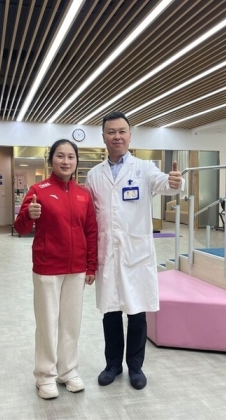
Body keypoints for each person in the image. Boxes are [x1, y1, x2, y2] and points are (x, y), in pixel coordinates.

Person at [86, 111, 183, 390]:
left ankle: (136, 367)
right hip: (108, 252)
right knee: (110, 311)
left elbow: (165, 184)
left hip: (136, 254)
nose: (117, 136)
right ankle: (113, 365)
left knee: (137, 312)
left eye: (122, 131)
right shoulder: (94, 175)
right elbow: (90, 216)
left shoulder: (144, 168)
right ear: (103, 137)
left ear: (130, 136)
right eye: (111, 132)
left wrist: (175, 182)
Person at [14, 139, 98, 400]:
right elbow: (20, 228)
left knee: (71, 323)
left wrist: (91, 265)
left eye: (71, 156)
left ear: (76, 162)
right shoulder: (38, 190)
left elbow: (91, 231)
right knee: (47, 323)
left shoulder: (83, 194)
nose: (65, 161)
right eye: (60, 156)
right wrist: (29, 215)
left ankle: (68, 372)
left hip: (76, 269)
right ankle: (45, 376)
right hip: (47, 268)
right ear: (51, 160)